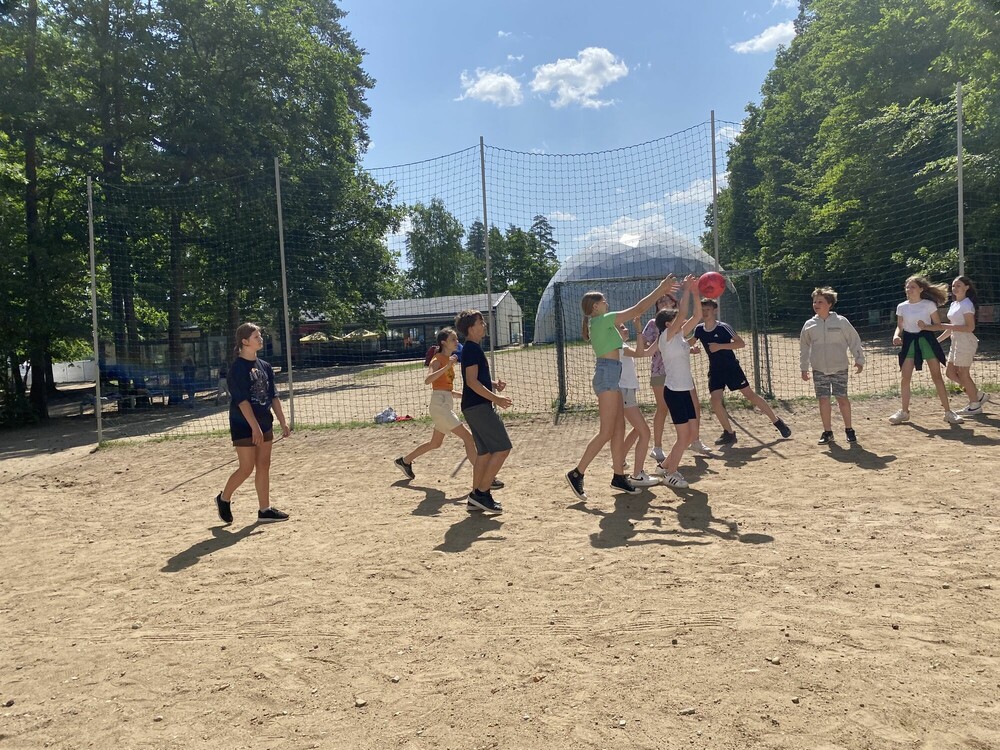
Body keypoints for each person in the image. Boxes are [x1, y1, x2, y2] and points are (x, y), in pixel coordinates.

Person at [566, 275, 679, 501]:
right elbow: (639, 308)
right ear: (595, 306)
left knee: (618, 430)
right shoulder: (602, 319)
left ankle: (619, 476)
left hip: (612, 374)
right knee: (606, 431)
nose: (607, 303)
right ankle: (577, 473)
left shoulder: (602, 323)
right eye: (604, 301)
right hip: (607, 374)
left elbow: (637, 351)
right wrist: (660, 289)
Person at [394, 328, 503, 489]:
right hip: (439, 406)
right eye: (453, 339)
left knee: (435, 443)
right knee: (469, 438)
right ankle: (486, 477)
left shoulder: (450, 360)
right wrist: (447, 366)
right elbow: (428, 380)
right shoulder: (438, 359)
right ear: (443, 342)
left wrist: (468, 394)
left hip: (444, 403)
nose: (457, 342)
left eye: (457, 339)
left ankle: (404, 461)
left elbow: (447, 390)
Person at [214, 323, 291, 525]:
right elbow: (242, 402)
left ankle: (264, 510)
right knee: (246, 467)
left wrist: (283, 422)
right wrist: (254, 427)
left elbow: (273, 396)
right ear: (245, 341)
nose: (261, 339)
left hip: (264, 422)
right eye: (256, 336)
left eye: (260, 335)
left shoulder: (265, 366)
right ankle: (224, 498)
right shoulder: (236, 369)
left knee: (264, 465)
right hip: (243, 424)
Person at [695, 297, 792, 446]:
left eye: (708, 309)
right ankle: (729, 433)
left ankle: (777, 421)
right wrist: (689, 347)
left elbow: (740, 343)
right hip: (715, 370)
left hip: (732, 368)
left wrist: (720, 346)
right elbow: (689, 343)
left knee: (750, 395)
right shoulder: (699, 329)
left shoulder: (723, 327)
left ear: (715, 310)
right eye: (702, 310)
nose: (705, 312)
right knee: (715, 400)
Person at [642, 293, 712, 459]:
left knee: (694, 405)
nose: (665, 302)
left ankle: (694, 440)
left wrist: (689, 348)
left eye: (668, 299)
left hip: (680, 372)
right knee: (663, 408)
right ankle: (657, 447)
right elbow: (645, 347)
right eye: (661, 300)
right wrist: (658, 345)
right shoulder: (655, 324)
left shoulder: (679, 326)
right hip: (660, 371)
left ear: (675, 304)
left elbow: (683, 337)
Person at [455, 309, 512, 514]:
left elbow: (476, 378)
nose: (484, 325)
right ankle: (481, 493)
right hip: (478, 406)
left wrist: (493, 384)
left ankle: (474, 499)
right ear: (471, 328)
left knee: (485, 452)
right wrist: (496, 399)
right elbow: (471, 382)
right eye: (480, 322)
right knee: (503, 448)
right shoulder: (472, 349)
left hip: (473, 406)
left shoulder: (472, 348)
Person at [889, 275, 961, 425]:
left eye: (913, 287)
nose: (909, 289)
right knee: (905, 377)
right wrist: (896, 336)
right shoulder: (901, 306)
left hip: (926, 340)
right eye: (907, 287)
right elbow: (899, 326)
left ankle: (948, 412)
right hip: (909, 341)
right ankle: (904, 412)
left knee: (937, 376)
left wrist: (925, 326)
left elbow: (938, 325)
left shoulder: (929, 305)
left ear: (921, 289)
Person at [653, 276, 702, 489]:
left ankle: (664, 466)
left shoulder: (680, 336)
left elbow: (697, 315)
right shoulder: (665, 337)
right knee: (683, 437)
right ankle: (671, 474)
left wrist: (696, 293)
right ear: (667, 324)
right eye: (676, 318)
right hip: (674, 392)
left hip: (685, 390)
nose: (681, 319)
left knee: (690, 435)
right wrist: (687, 290)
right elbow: (683, 313)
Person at [798, 287, 865, 445]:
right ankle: (827, 432)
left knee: (842, 399)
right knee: (823, 400)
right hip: (819, 369)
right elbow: (804, 347)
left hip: (839, 368)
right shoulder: (809, 325)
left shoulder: (841, 322)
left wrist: (859, 359)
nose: (816, 304)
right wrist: (804, 367)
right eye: (814, 302)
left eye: (820, 302)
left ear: (829, 304)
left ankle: (849, 430)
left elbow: (854, 340)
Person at [919, 276, 990, 416]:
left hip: (966, 341)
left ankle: (975, 405)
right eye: (953, 286)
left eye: (958, 285)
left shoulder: (967, 304)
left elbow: (970, 328)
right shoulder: (954, 304)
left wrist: (943, 325)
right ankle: (977, 395)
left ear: (966, 287)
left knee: (963, 374)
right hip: (956, 341)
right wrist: (937, 341)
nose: (955, 288)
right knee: (950, 373)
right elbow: (951, 328)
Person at [617, 319, 660, 487]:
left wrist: (661, 338)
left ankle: (619, 460)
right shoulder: (619, 346)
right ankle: (637, 474)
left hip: (627, 391)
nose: (625, 329)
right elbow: (642, 353)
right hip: (624, 392)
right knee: (645, 432)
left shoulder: (621, 345)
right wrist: (639, 330)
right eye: (622, 327)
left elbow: (646, 352)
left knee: (638, 429)